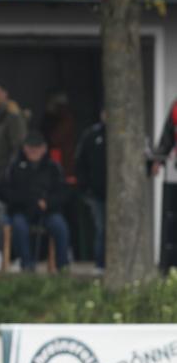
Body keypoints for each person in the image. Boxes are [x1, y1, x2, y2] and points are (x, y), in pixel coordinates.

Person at [0, 131, 71, 272]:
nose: (33, 151)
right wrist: (25, 200)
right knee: (19, 225)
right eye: (30, 147)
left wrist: (48, 202)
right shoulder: (14, 167)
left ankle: (63, 265)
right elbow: (2, 191)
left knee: (59, 225)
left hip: (47, 211)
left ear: (44, 148)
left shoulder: (53, 167)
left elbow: (63, 192)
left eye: (37, 147)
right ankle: (27, 264)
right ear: (24, 148)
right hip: (21, 210)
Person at [75, 115, 106, 271]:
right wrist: (85, 187)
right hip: (97, 193)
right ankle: (100, 264)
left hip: (118, 196)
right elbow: (80, 162)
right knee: (101, 228)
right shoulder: (91, 136)